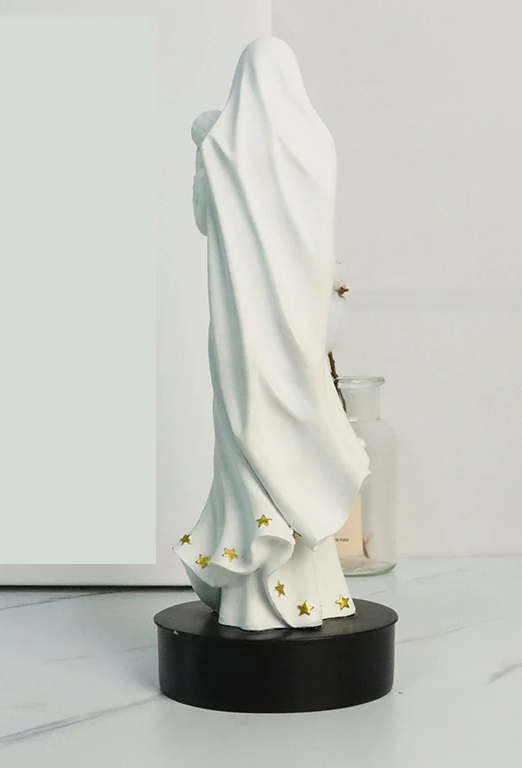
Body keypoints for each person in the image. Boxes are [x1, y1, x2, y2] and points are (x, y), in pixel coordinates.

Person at [174, 37, 369, 630]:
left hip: (243, 338)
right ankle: (313, 589)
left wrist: (205, 146)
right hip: (299, 335)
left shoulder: (223, 144)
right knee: (296, 442)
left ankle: (250, 592)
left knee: (247, 436)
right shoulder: (316, 143)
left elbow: (203, 219)